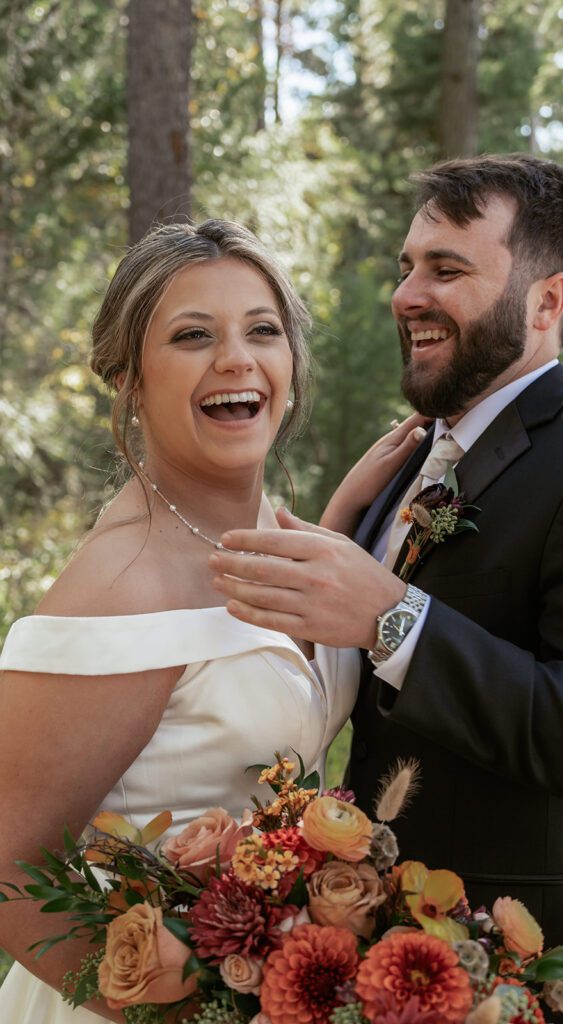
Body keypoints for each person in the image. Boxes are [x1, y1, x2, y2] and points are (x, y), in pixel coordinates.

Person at [209, 155, 563, 1024]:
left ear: (546, 302)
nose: (405, 295)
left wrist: (395, 621)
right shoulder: (409, 463)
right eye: (406, 267)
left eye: (447, 269)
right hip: (384, 965)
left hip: (532, 978)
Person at [0, 219, 361, 1022]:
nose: (236, 358)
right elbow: (7, 866)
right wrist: (164, 1009)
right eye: (194, 335)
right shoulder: (120, 589)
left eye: (261, 331)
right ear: (129, 378)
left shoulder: (287, 539)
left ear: (290, 364)